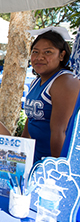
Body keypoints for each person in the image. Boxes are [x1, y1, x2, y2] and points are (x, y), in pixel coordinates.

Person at [22, 29, 80, 163]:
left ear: (62, 55)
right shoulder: (36, 81)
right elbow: (31, 118)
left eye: (48, 52)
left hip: (52, 160)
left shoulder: (65, 81)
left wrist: (56, 168)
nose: (39, 57)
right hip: (35, 156)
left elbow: (60, 131)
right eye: (35, 52)